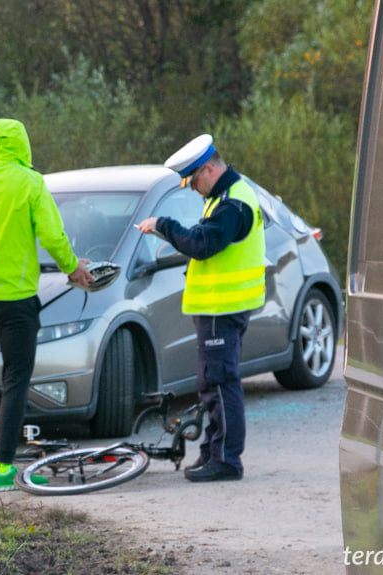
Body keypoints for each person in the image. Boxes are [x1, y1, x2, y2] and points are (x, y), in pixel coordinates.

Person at [0, 119, 94, 492]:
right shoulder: (30, 183)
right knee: (15, 382)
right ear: (22, 145)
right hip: (18, 302)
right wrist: (73, 269)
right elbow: (53, 235)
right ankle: (4, 470)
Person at [137, 134, 265, 482]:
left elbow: (202, 243)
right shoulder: (226, 197)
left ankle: (225, 461)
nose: (192, 189)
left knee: (220, 384)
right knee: (213, 384)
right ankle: (213, 451)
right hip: (220, 309)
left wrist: (164, 226)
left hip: (221, 309)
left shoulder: (231, 204)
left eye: (193, 181)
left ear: (209, 169)